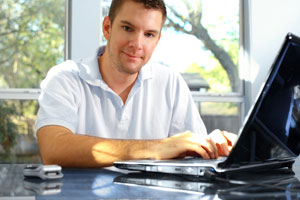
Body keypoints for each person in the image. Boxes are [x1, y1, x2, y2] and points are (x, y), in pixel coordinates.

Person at [35, 0, 236, 168]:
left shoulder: (170, 83)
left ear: (157, 40)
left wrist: (212, 144)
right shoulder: (65, 78)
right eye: (127, 28)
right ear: (107, 28)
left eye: (149, 34)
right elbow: (53, 149)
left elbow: (190, 153)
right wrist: (157, 148)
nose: (137, 44)